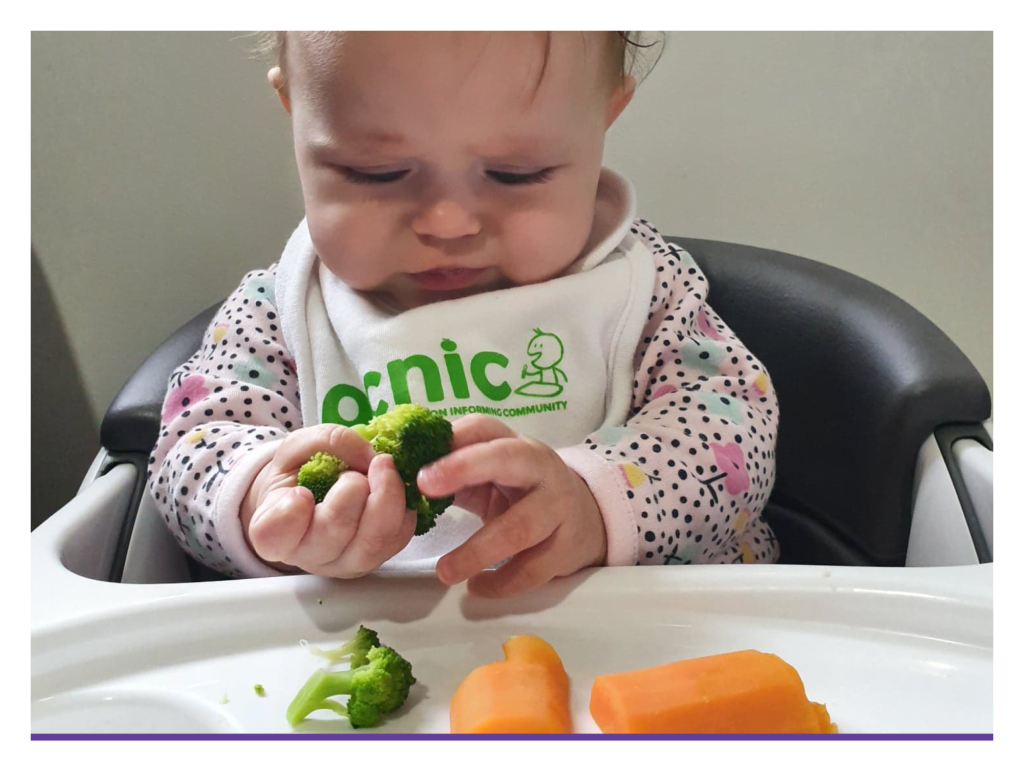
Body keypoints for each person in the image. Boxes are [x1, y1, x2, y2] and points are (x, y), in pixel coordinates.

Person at [148, 31, 780, 597]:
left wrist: (594, 501)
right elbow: (188, 450)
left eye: (516, 173)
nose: (447, 222)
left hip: (648, 647)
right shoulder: (282, 308)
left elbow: (732, 428)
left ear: (607, 113)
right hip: (368, 654)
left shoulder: (644, 290)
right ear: (295, 109)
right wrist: (263, 502)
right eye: (376, 172)